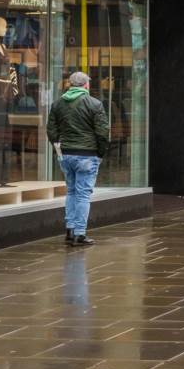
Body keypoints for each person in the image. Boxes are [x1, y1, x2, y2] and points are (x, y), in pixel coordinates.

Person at [45, 70, 109, 247]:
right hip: (87, 154)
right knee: (83, 194)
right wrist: (101, 153)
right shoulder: (94, 104)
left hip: (66, 154)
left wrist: (58, 147)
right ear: (86, 85)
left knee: (71, 191)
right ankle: (80, 234)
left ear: (70, 85)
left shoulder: (58, 104)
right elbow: (102, 132)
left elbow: (51, 130)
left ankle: (70, 229)